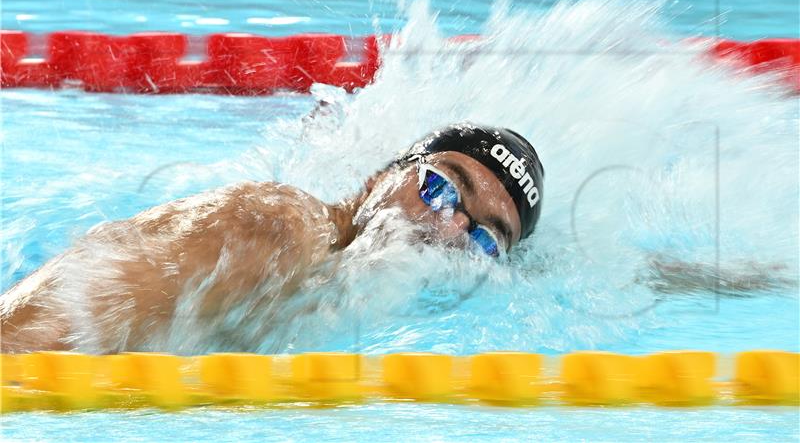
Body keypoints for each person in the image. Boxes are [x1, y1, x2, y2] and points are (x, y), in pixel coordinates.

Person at [0, 123, 544, 354]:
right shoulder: (277, 228)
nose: (450, 226)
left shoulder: (365, 314)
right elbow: (20, 343)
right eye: (440, 186)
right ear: (380, 178)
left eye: (484, 240)